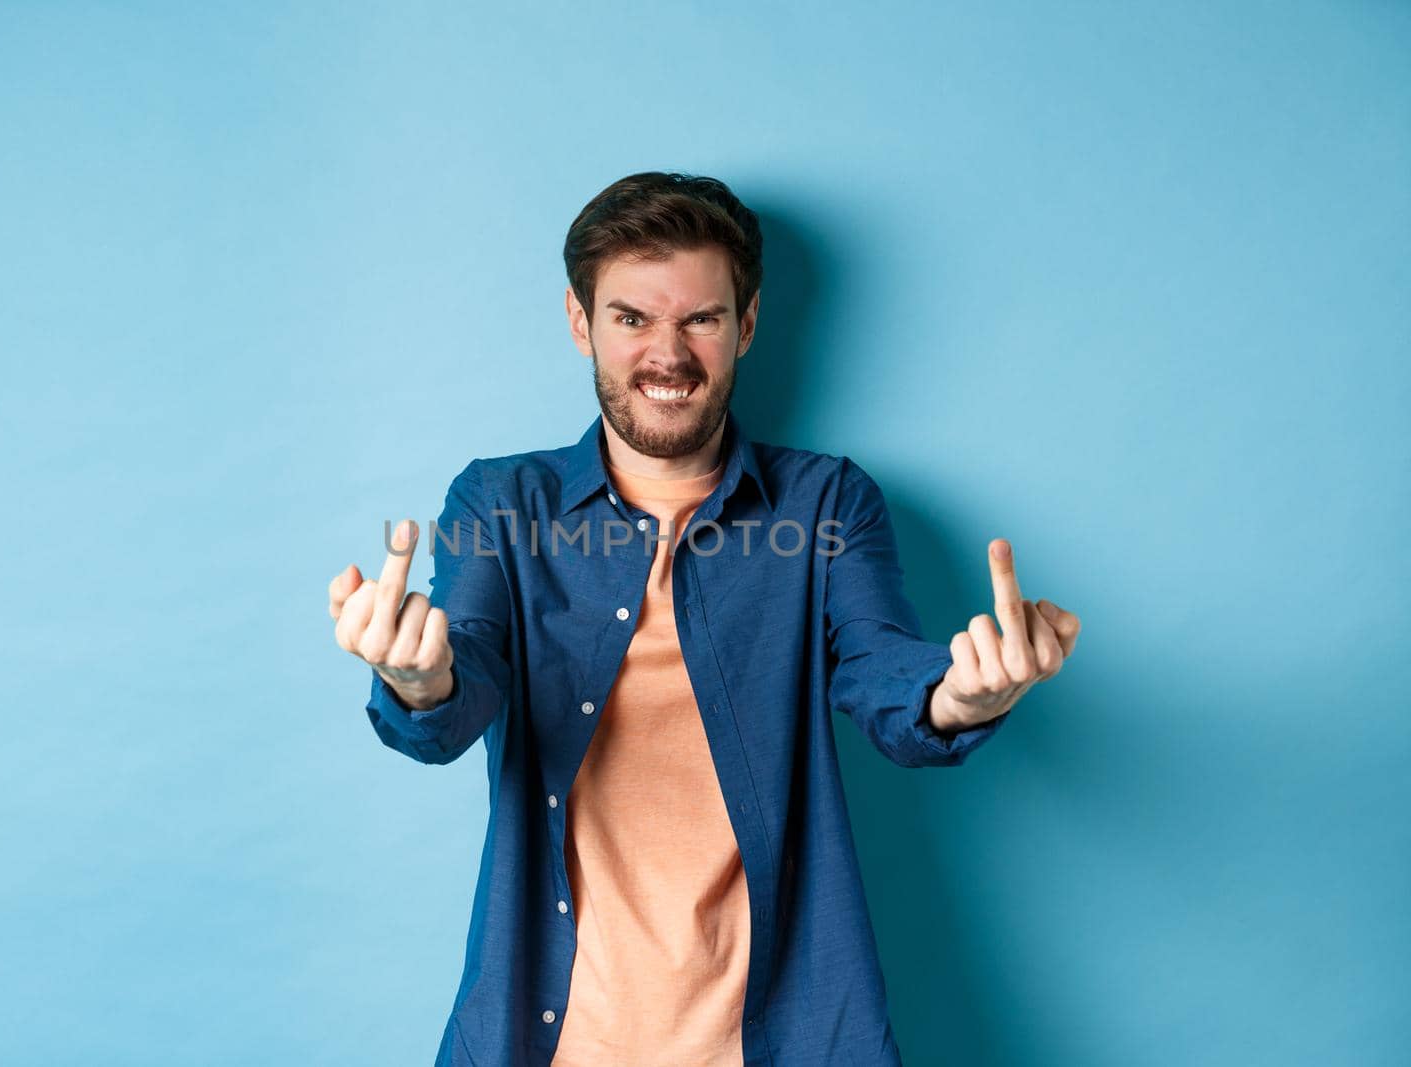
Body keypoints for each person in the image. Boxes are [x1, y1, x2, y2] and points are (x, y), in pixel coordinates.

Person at [327, 171, 1081, 1067]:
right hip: (553, 1039)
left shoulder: (828, 501)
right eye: (632, 318)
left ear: (747, 325)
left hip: (779, 1037)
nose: (668, 354)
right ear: (582, 325)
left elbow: (885, 673)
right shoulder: (499, 501)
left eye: (701, 319)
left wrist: (964, 694)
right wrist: (417, 679)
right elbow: (465, 677)